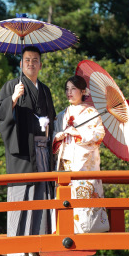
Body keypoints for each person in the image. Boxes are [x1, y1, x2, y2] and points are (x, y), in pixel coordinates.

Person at [0, 45, 56, 255]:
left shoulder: (45, 90)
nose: (31, 63)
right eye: (27, 60)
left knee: (42, 195)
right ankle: (18, 248)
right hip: (22, 152)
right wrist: (13, 99)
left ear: (40, 64)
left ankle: (40, 245)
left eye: (35, 60)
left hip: (42, 152)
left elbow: (52, 120)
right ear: (21, 64)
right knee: (22, 195)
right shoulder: (12, 85)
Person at [52, 75, 110, 233]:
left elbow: (99, 135)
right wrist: (57, 137)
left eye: (73, 89)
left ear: (83, 91)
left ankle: (86, 234)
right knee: (65, 198)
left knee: (83, 201)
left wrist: (78, 133)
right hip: (65, 163)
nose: (69, 92)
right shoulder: (62, 114)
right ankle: (63, 231)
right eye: (67, 89)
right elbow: (53, 136)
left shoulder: (92, 113)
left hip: (84, 166)